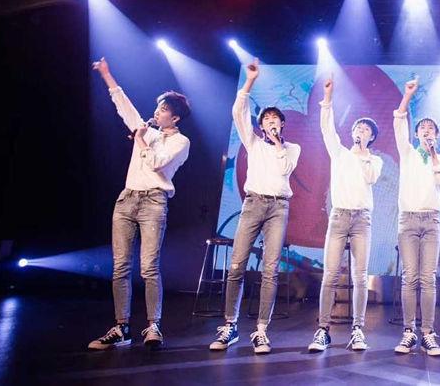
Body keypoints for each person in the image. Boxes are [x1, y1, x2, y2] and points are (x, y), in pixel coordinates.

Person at [88, 57, 191, 350]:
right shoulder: (147, 130)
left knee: (149, 267)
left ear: (175, 118)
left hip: (153, 202)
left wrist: (141, 140)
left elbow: (157, 163)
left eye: (163, 109)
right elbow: (123, 104)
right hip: (127, 199)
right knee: (120, 266)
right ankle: (121, 327)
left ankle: (153, 325)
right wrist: (107, 74)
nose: (157, 112)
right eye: (158, 108)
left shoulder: (181, 142)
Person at [209, 57, 301, 354]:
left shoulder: (292, 148)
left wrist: (278, 142)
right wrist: (249, 82)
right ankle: (230, 325)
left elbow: (285, 168)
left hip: (278, 208)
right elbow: (238, 112)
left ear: (282, 124)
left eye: (275, 119)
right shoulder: (253, 143)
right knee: (237, 265)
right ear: (260, 125)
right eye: (266, 119)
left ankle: (261, 330)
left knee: (270, 270)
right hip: (252, 205)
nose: (271, 122)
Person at [308, 74, 384, 352]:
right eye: (358, 128)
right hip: (339, 217)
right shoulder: (339, 152)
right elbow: (326, 127)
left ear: (371, 137)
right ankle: (323, 330)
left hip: (362, 219)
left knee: (360, 276)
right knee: (330, 275)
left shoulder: (374, 160)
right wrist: (327, 97)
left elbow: (371, 178)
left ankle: (358, 330)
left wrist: (363, 152)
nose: (361, 131)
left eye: (366, 130)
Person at [392, 77, 440, 357]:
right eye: (423, 128)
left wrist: (434, 154)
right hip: (408, 220)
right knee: (410, 278)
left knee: (428, 278)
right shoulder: (407, 152)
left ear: (437, 136)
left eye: (431, 129)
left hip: (431, 221)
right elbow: (398, 119)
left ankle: (427, 333)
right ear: (416, 134)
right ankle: (408, 332)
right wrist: (407, 96)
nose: (427, 131)